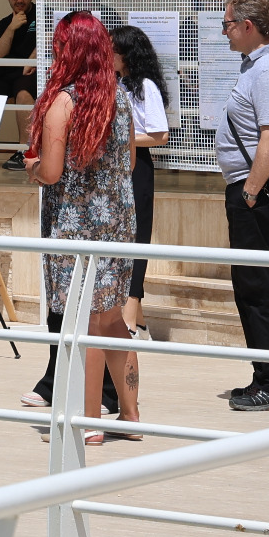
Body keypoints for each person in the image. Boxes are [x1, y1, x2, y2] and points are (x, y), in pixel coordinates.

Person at [23, 10, 142, 439]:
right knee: (112, 321)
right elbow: (128, 162)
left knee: (86, 324)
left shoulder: (65, 102)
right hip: (118, 220)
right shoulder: (122, 99)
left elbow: (52, 173)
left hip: (76, 226)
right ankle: (129, 416)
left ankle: (88, 422)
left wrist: (33, 167)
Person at [216, 0, 269, 412]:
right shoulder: (258, 66)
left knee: (261, 289)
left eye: (228, 24)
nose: (225, 32)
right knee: (253, 287)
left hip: (258, 194)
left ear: (249, 26)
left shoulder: (266, 72)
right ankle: (264, 376)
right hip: (253, 191)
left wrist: (249, 193)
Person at [110, 21, 171, 336]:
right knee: (121, 237)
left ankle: (130, 317)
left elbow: (160, 135)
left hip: (138, 167)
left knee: (136, 238)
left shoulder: (145, 86)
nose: (109, 56)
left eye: (114, 51)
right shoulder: (116, 84)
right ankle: (140, 319)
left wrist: (123, 140)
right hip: (116, 167)